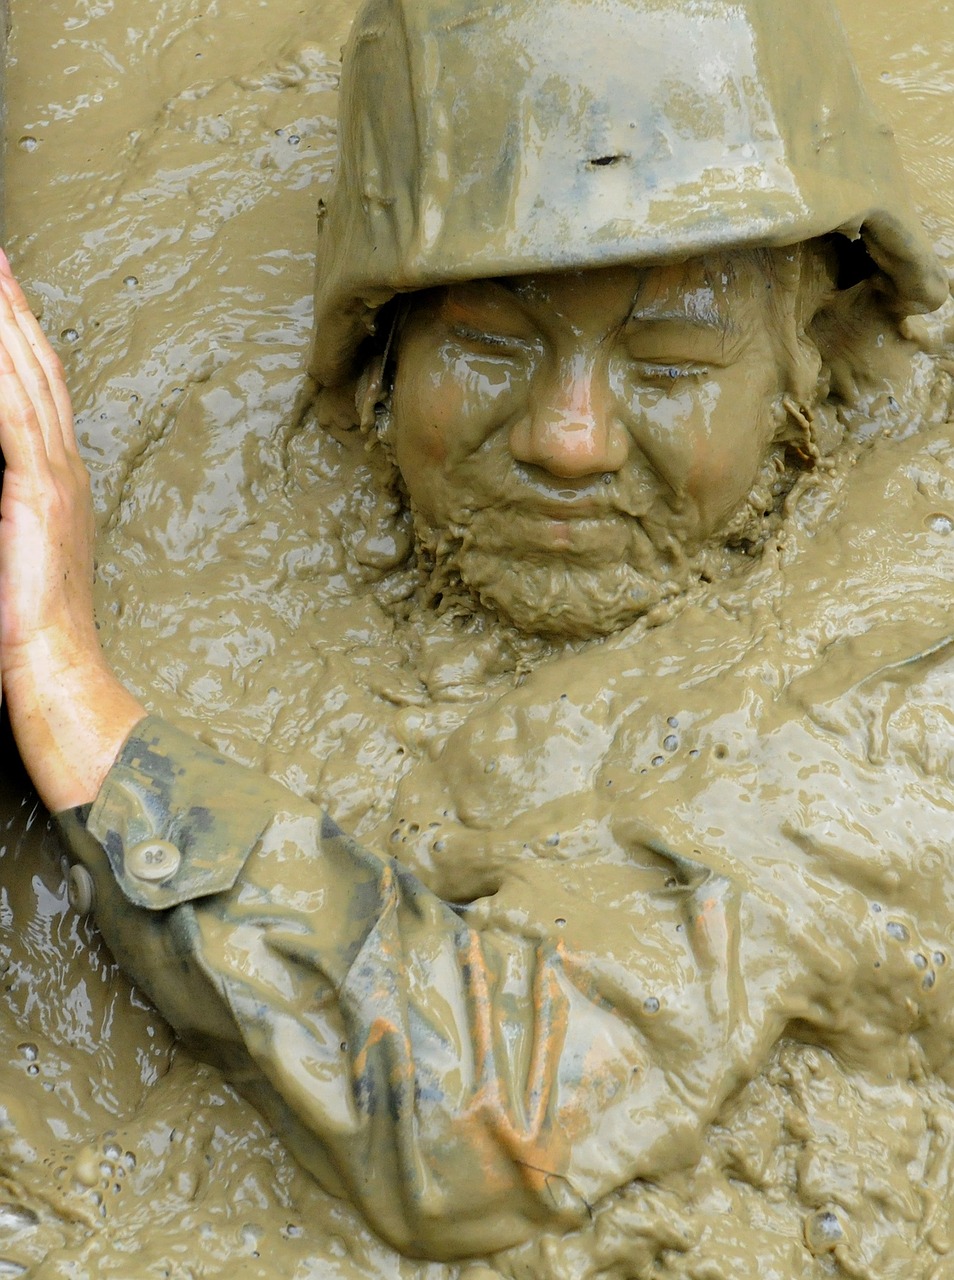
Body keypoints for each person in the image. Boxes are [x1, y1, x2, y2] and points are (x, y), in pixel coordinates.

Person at [0, 0, 950, 1264]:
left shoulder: (899, 668)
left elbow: (507, 1116)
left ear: (814, 366)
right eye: (493, 342)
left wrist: (65, 682)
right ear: (374, 353)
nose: (570, 436)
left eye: (667, 363)